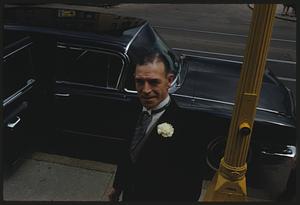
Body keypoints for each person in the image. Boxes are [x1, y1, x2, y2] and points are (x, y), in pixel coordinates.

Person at [108, 50, 204, 201]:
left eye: (154, 82)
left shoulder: (187, 127)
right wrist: (118, 186)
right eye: (140, 81)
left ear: (169, 80)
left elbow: (191, 185)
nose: (145, 90)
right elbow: (127, 154)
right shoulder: (132, 109)